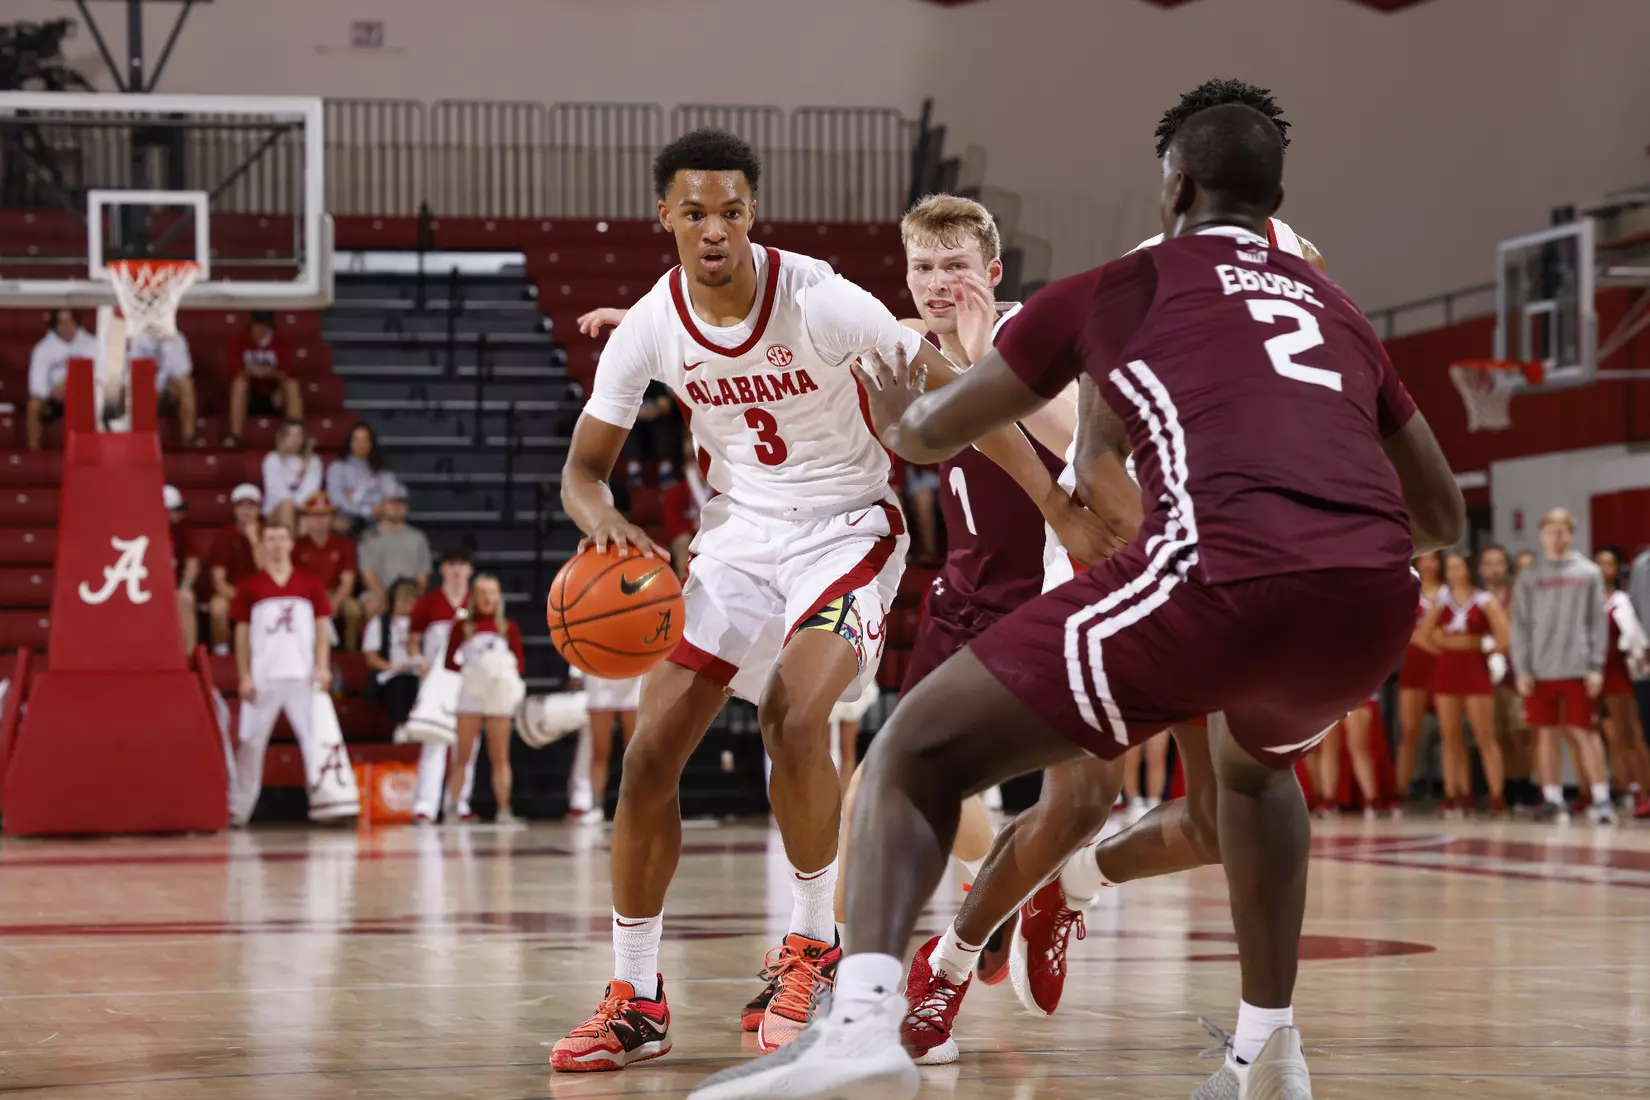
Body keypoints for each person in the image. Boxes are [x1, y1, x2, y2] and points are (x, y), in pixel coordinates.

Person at [687, 102, 1465, 1100]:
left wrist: (894, 407)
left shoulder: (1123, 284)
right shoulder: (1336, 309)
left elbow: (930, 434)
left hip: (1209, 572)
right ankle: (1263, 1044)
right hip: (1369, 600)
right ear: (1277, 210)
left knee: (909, 754)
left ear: (1176, 189)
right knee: (1254, 786)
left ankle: (869, 1020)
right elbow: (1439, 513)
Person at [548, 129, 1107, 1074]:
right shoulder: (650, 321)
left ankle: (812, 943)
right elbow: (582, 473)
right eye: (694, 212)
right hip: (736, 539)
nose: (713, 227)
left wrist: (1058, 500)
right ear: (667, 219)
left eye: (730, 210)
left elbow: (963, 390)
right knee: (647, 757)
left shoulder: (819, 298)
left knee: (794, 715)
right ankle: (635, 996)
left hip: (848, 531)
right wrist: (602, 520)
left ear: (752, 214)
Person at [895, 79, 1332, 1057]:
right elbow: (1087, 450)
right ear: (1180, 192)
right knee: (1079, 798)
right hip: (1125, 550)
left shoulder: (1302, 268)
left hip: (1235, 561)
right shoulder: (1141, 280)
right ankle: (951, 964)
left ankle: (1074, 888)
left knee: (1229, 816)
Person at [228, 522, 353, 826]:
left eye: (281, 538)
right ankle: (237, 808)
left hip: (302, 675)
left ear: (290, 544)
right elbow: (241, 635)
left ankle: (328, 803)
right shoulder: (250, 586)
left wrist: (322, 666)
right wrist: (244, 675)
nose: (276, 544)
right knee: (251, 744)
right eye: (270, 539)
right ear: (263, 545)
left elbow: (322, 629)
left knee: (316, 740)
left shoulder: (309, 583)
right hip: (263, 677)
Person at [1511, 508, 1612, 824]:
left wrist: (1596, 665)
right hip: (1540, 669)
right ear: (1541, 535)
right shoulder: (1529, 575)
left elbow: (1598, 622)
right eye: (1549, 531)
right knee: (1545, 735)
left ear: (1571, 534)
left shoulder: (1588, 572)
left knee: (1586, 734)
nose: (1555, 537)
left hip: (1577, 666)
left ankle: (1602, 798)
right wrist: (1522, 668)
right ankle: (1552, 797)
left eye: (1561, 531)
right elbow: (1520, 625)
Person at [1422, 550, 1511, 815]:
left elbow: (1504, 637)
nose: (1452, 573)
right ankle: (1454, 795)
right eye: (1450, 568)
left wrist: (1483, 650)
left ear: (1469, 570)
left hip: (1475, 669)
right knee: (1450, 737)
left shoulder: (1484, 600)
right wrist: (1447, 646)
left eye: (1458, 567)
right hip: (1448, 669)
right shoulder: (1441, 599)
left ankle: (1497, 797)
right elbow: (1424, 635)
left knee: (1485, 736)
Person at [442, 574, 525, 823]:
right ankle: (454, 807)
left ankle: (503, 810)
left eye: (492, 592)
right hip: (470, 697)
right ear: (474, 597)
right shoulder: (462, 627)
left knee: (500, 757)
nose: (487, 598)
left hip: (498, 697)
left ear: (499, 596)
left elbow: (519, 664)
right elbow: (449, 662)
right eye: (482, 592)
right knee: (463, 755)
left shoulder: (507, 627)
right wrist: (473, 674)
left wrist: (498, 675)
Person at [406, 547, 476, 823]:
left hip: (470, 682)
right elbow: (412, 640)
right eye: (452, 564)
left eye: (462, 564)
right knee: (433, 741)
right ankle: (425, 806)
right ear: (442, 570)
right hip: (438, 681)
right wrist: (419, 660)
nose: (457, 570)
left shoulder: (477, 601)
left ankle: (459, 803)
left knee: (468, 745)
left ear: (469, 570)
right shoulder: (428, 603)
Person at [1595, 547, 1650, 816]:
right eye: (1600, 563)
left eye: (1609, 564)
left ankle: (1645, 790)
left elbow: (1635, 638)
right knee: (1611, 739)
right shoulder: (1589, 600)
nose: (1604, 569)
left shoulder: (1621, 601)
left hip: (1618, 671)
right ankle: (1622, 790)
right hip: (1594, 671)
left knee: (1630, 735)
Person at [1480, 544, 1532, 805]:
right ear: (1480, 568)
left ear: (1506, 567)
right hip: (1483, 677)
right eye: (1488, 563)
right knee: (1496, 735)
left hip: (1515, 674)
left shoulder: (1516, 596)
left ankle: (1524, 786)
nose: (1493, 568)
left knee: (1519, 734)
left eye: (1498, 562)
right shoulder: (1475, 598)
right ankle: (1506, 787)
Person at [1393, 549, 1442, 811]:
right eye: (1426, 558)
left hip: (1443, 665)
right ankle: (1401, 791)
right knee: (1409, 731)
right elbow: (1406, 631)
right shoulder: (1411, 589)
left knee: (1450, 731)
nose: (1430, 563)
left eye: (1435, 558)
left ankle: (1456, 792)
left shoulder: (1448, 591)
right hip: (1415, 665)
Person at [291, 492, 364, 651]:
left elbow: (347, 581)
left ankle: (350, 653)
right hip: (306, 595)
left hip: (334, 593)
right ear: (306, 519)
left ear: (331, 518)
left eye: (325, 516)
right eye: (315, 516)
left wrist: (335, 603)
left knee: (353, 609)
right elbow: (294, 579)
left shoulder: (344, 544)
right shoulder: (296, 546)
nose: (320, 520)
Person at [225, 310, 303, 447]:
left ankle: (296, 437)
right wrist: (251, 371)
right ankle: (236, 436)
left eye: (263, 326)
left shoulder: (282, 341)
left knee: (292, 385)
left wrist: (269, 373)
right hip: (249, 396)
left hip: (274, 396)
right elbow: (233, 371)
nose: (259, 330)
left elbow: (287, 372)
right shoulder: (239, 340)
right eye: (256, 326)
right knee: (239, 384)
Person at [26, 308, 99, 452]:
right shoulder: (43, 348)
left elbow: (100, 375)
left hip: (83, 397)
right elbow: (36, 385)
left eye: (69, 321)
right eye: (62, 322)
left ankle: (91, 449)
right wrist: (52, 392)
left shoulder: (93, 344)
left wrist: (72, 387)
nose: (66, 326)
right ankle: (33, 452)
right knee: (33, 406)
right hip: (54, 398)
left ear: (76, 322)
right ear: (55, 325)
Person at [357, 482, 432, 620]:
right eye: (392, 503)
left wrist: (409, 596)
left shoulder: (418, 538)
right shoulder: (369, 537)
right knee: (371, 604)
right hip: (377, 594)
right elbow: (368, 575)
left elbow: (422, 576)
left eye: (401, 504)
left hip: (410, 592)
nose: (397, 508)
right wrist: (387, 598)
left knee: (428, 608)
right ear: (382, 505)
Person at [575, 673, 642, 823]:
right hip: (599, 674)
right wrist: (575, 671)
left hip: (634, 670)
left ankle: (638, 806)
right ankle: (595, 807)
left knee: (636, 753)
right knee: (599, 750)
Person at [208, 484, 266, 653]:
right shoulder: (224, 536)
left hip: (263, 591)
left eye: (251, 506)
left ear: (259, 509)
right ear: (234, 510)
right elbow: (218, 579)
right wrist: (239, 597)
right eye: (241, 506)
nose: (246, 511)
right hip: (233, 592)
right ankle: (221, 651)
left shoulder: (268, 533)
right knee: (218, 607)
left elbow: (268, 571)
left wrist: (254, 539)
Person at [1305, 698, 1384, 819]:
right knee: (1330, 746)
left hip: (1350, 691)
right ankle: (1329, 801)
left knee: (1357, 745)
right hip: (1328, 693)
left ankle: (1372, 800)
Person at [363, 578, 424, 726]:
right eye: (403, 599)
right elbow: (371, 657)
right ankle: (400, 725)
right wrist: (392, 668)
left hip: (418, 672)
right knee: (398, 683)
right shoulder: (379, 622)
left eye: (411, 600)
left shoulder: (423, 623)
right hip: (390, 673)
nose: (407, 604)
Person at [128, 327, 201, 447]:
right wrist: (152, 388)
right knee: (137, 389)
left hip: (167, 390)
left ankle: (189, 438)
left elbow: (182, 374)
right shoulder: (137, 339)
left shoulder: (176, 338)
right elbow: (133, 373)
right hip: (142, 388)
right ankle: (142, 440)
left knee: (187, 385)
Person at [327, 422, 395, 535]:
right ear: (350, 442)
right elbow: (337, 500)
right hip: (348, 516)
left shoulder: (382, 468)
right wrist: (366, 510)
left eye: (365, 440)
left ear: (371, 443)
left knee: (391, 517)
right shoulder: (337, 467)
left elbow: (390, 493)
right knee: (340, 523)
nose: (360, 444)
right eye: (356, 440)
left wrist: (375, 506)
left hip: (377, 515)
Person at [262, 419, 323, 531]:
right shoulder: (272, 459)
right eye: (290, 435)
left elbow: (312, 490)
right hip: (276, 509)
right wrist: (293, 506)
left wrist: (299, 507)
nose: (295, 440)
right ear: (281, 438)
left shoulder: (314, 461)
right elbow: (276, 491)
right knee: (287, 505)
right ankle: (289, 546)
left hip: (304, 509)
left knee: (309, 517)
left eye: (299, 435)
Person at [165, 484, 201, 654]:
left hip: (173, 589)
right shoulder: (143, 530)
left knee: (186, 598)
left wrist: (185, 586)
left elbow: (192, 561)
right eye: (176, 510)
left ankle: (188, 657)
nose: (181, 514)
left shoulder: (181, 529)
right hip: (146, 590)